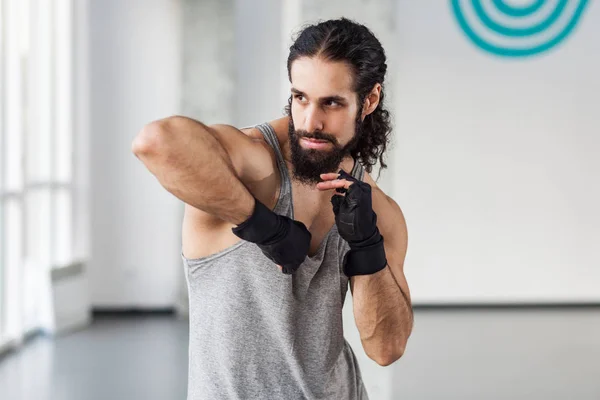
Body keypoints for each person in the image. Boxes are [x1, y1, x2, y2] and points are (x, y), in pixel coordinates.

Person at [132, 17, 412, 400]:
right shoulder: (252, 164)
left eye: (331, 102)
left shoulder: (376, 207)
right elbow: (155, 142)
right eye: (301, 98)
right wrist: (264, 226)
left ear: (370, 100)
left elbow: (387, 348)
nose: (310, 122)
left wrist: (368, 246)